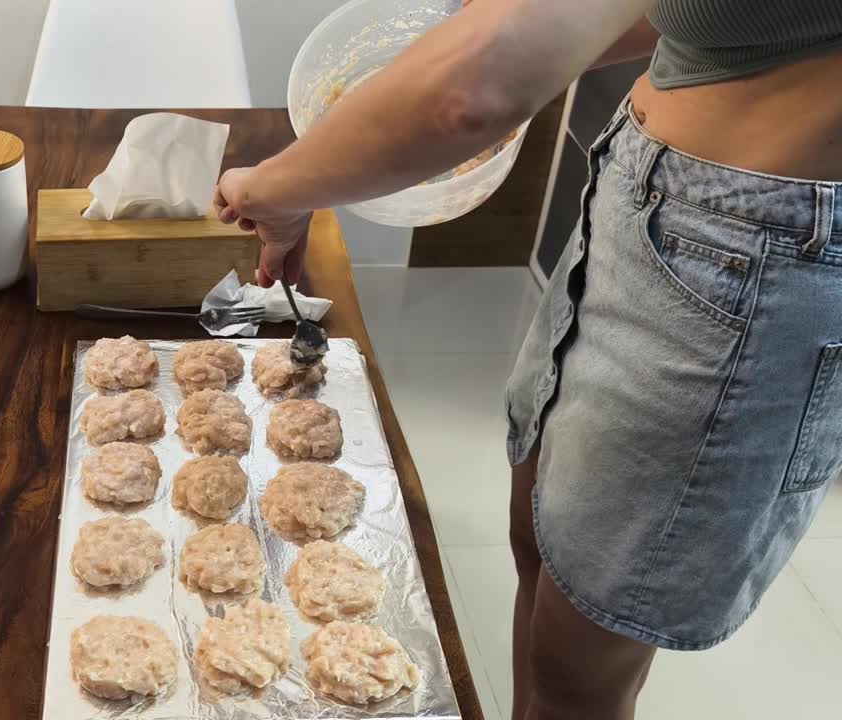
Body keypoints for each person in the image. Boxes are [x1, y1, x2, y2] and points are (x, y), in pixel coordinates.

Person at [214, 1, 842, 718]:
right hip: (642, 191)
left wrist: (275, 190)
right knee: (539, 544)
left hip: (751, 253)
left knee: (583, 661)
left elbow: (471, 91)